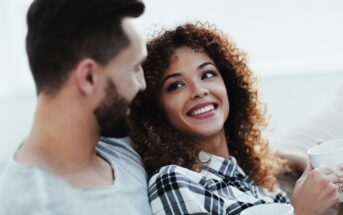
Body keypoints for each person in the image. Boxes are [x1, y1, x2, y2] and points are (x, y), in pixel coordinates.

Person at [129, 23, 341, 215]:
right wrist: (303, 212)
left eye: (207, 75)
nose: (199, 90)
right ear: (156, 111)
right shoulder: (174, 181)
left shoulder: (257, 184)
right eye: (176, 85)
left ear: (228, 85)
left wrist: (336, 194)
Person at [0, 0, 152, 214]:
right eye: (135, 67)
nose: (142, 84)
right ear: (89, 77)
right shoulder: (35, 206)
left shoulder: (116, 141)